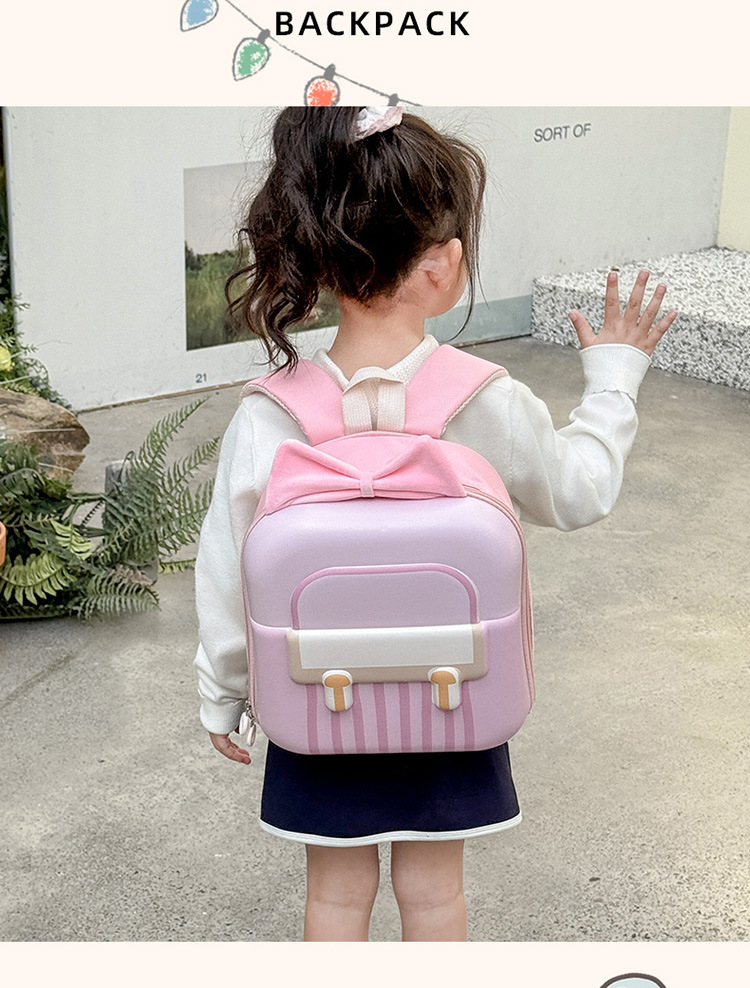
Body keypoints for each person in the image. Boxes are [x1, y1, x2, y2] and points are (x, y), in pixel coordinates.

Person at [192, 105, 677, 942]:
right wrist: (612, 380)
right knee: (433, 892)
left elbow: (229, 568)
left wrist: (223, 692)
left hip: (320, 698)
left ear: (318, 260)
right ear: (444, 265)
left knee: (334, 896)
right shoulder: (484, 399)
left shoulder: (269, 415)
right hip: (451, 698)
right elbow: (578, 491)